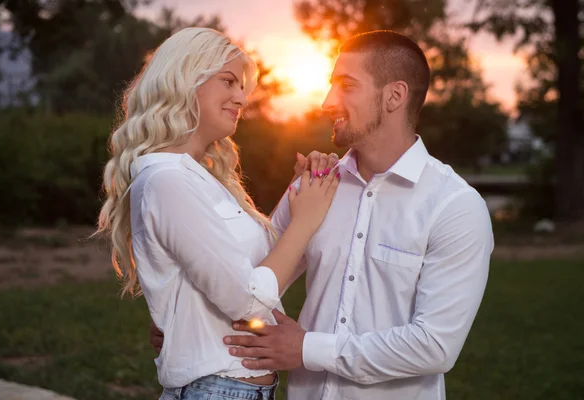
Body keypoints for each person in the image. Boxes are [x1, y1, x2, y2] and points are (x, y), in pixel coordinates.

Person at [217, 30, 494, 399]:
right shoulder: (315, 186)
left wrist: (306, 349)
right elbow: (253, 282)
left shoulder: (455, 206)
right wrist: (188, 317)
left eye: (347, 86)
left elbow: (434, 346)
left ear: (394, 96)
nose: (328, 102)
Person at [96, 27, 340, 400]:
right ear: (185, 78)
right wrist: (306, 220)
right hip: (216, 389)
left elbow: (263, 272)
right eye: (229, 82)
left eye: (242, 88)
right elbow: (249, 301)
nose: (241, 98)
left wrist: (299, 195)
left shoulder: (199, 178)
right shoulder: (168, 181)